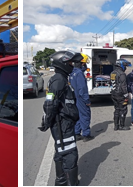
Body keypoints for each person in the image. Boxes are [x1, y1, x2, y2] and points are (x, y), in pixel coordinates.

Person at [38, 51, 81, 185]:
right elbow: (50, 101)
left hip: (64, 123)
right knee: (69, 154)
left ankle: (61, 181)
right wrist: (48, 120)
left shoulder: (61, 78)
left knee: (61, 151)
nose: (72, 65)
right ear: (61, 63)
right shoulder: (59, 79)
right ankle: (69, 183)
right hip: (62, 124)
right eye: (69, 63)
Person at [71, 53, 94, 141]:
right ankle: (86, 134)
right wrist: (87, 100)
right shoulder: (79, 74)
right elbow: (82, 89)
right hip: (81, 98)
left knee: (79, 116)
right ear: (82, 63)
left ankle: (77, 132)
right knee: (85, 115)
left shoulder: (73, 72)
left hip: (75, 97)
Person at [111, 59, 132, 131]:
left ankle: (116, 126)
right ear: (121, 65)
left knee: (116, 109)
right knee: (123, 110)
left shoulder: (113, 73)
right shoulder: (122, 74)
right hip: (120, 94)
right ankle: (122, 126)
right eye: (125, 66)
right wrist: (126, 95)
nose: (125, 68)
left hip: (113, 93)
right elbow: (123, 86)